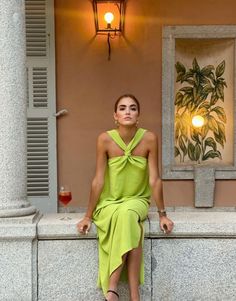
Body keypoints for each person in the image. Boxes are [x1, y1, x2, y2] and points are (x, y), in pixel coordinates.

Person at [77, 94, 174, 301]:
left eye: (132, 108)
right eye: (122, 108)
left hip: (137, 200)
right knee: (129, 222)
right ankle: (134, 295)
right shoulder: (104, 139)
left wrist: (163, 214)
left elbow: (155, 179)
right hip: (110, 202)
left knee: (128, 213)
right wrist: (87, 216)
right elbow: (98, 180)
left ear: (138, 115)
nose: (127, 111)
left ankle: (112, 290)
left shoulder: (149, 138)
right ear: (115, 115)